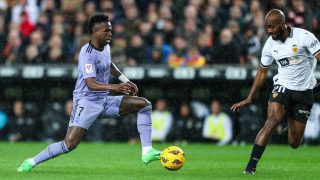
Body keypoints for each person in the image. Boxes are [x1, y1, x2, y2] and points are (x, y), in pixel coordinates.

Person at [17, 14, 161, 172]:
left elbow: (109, 65)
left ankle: (147, 151)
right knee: (69, 144)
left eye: (111, 30)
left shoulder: (106, 47)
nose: (110, 34)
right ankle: (31, 161)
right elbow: (90, 84)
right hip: (86, 102)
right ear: (95, 32)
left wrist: (125, 80)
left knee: (144, 105)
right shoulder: (86, 54)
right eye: (107, 31)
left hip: (103, 100)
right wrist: (115, 88)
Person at [231, 9, 320, 174]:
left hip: (304, 91)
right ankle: (250, 167)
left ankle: (288, 116)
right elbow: (262, 72)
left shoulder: (304, 37)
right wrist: (250, 97)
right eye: (267, 27)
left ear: (283, 24)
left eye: (272, 27)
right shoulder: (270, 44)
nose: (269, 31)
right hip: (282, 86)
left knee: (294, 143)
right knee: (272, 120)